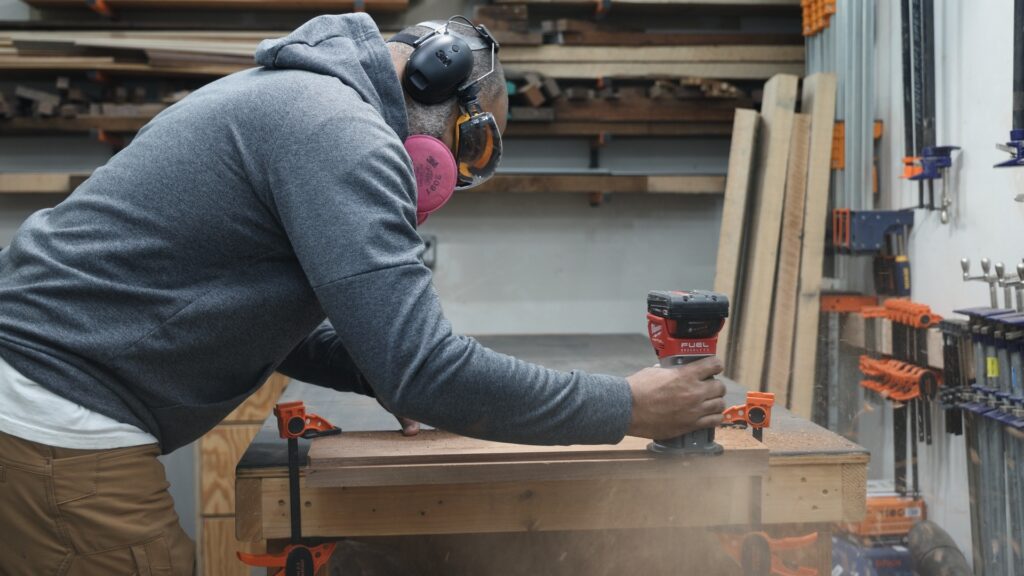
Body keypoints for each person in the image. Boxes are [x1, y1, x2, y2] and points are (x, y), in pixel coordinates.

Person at [0, 13, 726, 575]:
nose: (453, 177)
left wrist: (373, 368)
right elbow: (428, 373)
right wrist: (631, 408)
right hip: (56, 418)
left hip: (35, 400)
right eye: (469, 145)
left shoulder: (296, 99)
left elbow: (263, 314)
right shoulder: (339, 131)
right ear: (435, 83)